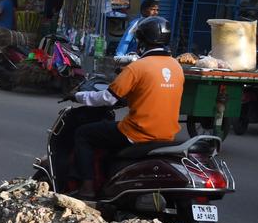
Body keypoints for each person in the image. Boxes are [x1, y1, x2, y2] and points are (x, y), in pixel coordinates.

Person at [69, 16, 183, 199]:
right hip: (167, 134)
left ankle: (87, 187)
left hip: (137, 133)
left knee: (83, 134)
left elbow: (107, 98)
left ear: (142, 40)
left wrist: (78, 96)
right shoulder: (176, 67)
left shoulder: (137, 68)